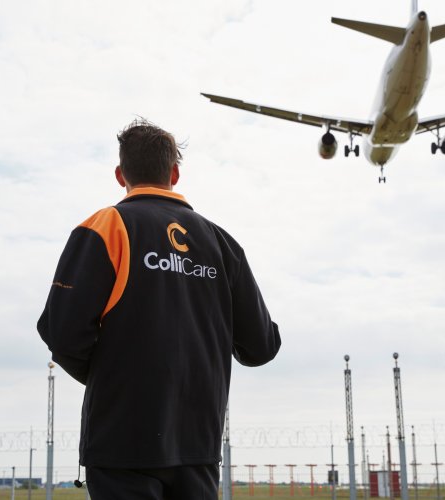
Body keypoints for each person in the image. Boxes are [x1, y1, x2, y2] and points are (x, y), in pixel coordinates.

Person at [37, 118, 281, 499]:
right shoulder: (222, 243)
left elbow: (62, 333)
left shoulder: (106, 227)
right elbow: (261, 346)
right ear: (175, 173)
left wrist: (118, 379)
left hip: (121, 444)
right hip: (198, 447)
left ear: (121, 175)